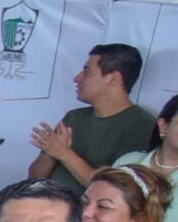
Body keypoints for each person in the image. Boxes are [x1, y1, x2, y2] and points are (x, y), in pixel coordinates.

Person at [29, 42, 154, 188]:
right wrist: (50, 153)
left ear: (113, 78)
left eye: (87, 72)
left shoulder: (142, 126)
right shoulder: (74, 117)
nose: (77, 78)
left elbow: (117, 189)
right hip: (45, 198)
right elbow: (33, 179)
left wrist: (63, 152)